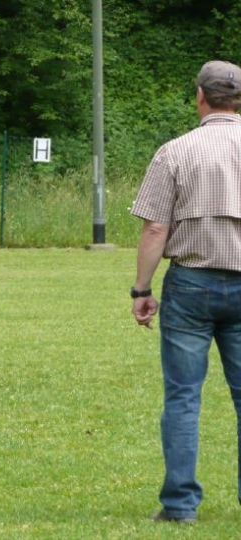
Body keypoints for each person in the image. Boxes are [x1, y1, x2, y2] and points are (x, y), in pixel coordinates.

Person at [131, 60, 241, 523]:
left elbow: (157, 227)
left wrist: (141, 288)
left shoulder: (175, 151)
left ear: (199, 96)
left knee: (182, 397)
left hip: (190, 284)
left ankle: (179, 506)